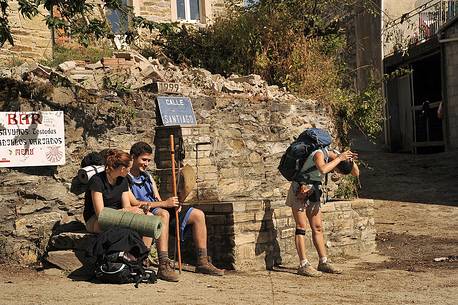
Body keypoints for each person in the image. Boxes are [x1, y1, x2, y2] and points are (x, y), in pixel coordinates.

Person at [128, 141, 225, 278]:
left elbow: (157, 199)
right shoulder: (126, 178)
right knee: (162, 213)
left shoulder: (148, 177)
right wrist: (164, 204)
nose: (147, 163)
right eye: (144, 159)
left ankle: (202, 262)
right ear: (133, 157)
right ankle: (163, 264)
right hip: (143, 213)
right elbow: (134, 203)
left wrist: (173, 204)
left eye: (149, 160)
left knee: (197, 214)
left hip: (158, 210)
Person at [82, 149, 179, 281]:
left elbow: (129, 205)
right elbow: (101, 214)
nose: (129, 170)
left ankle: (144, 260)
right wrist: (128, 212)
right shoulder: (97, 181)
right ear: (121, 168)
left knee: (149, 220)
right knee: (129, 226)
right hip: (97, 219)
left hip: (118, 215)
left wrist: (139, 209)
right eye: (127, 167)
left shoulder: (122, 180)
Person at [286, 147, 359, 277]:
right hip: (300, 189)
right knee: (301, 227)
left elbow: (356, 173)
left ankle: (323, 262)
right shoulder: (319, 154)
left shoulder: (337, 155)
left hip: (313, 190)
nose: (335, 172)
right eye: (336, 170)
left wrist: (351, 161)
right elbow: (323, 169)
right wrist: (339, 159)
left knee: (317, 227)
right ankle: (303, 264)